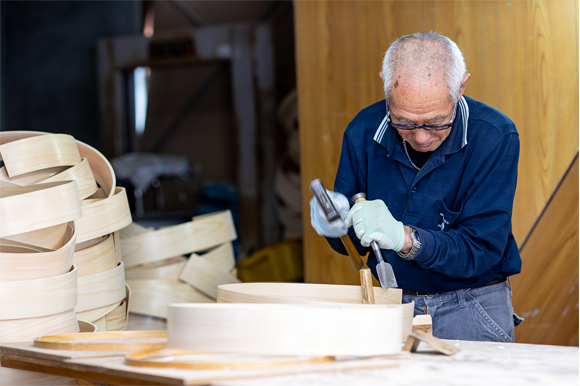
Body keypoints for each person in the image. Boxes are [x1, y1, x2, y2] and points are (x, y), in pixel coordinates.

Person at [310, 32, 523, 342]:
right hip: (393, 304)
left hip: (472, 304)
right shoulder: (362, 131)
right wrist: (337, 226)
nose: (421, 137)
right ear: (384, 84)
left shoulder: (495, 136)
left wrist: (405, 238)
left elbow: (481, 249)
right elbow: (356, 244)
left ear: (461, 87)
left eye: (436, 122)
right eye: (405, 122)